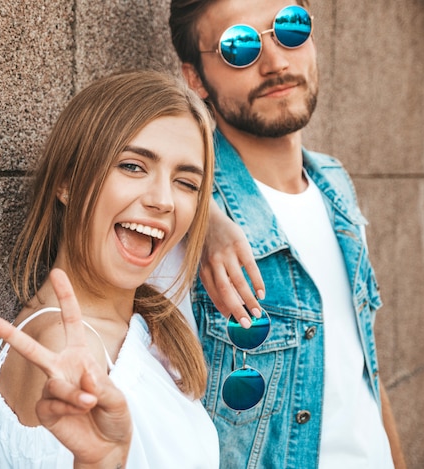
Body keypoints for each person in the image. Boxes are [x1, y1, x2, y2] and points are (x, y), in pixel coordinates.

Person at [168, 0, 407, 468]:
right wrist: (200, 211)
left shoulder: (334, 183)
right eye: (240, 46)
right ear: (195, 78)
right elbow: (96, 147)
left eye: (290, 29)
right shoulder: (181, 208)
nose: (276, 62)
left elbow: (360, 366)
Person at [0, 70, 221, 468]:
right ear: (67, 182)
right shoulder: (68, 347)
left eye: (186, 183)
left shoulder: (139, 325)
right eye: (133, 166)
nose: (164, 201)